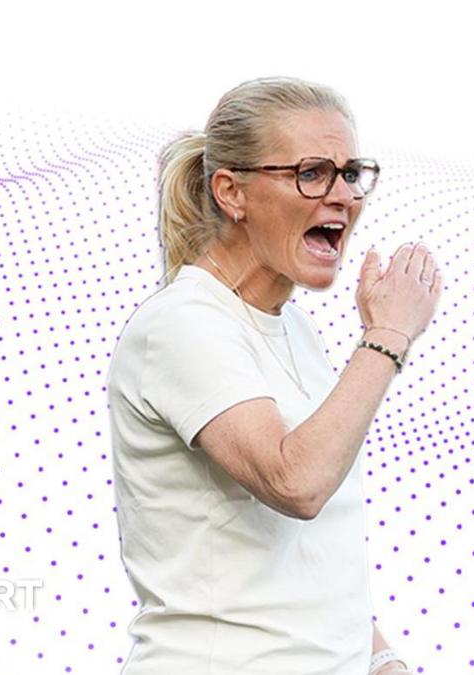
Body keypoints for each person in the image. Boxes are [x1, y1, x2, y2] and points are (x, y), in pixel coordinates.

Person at [106, 75, 442, 675]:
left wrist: (383, 660)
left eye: (351, 173)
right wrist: (388, 336)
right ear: (231, 192)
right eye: (312, 173)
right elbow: (297, 483)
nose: (342, 195)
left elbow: (312, 554)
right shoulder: (183, 324)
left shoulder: (295, 332)